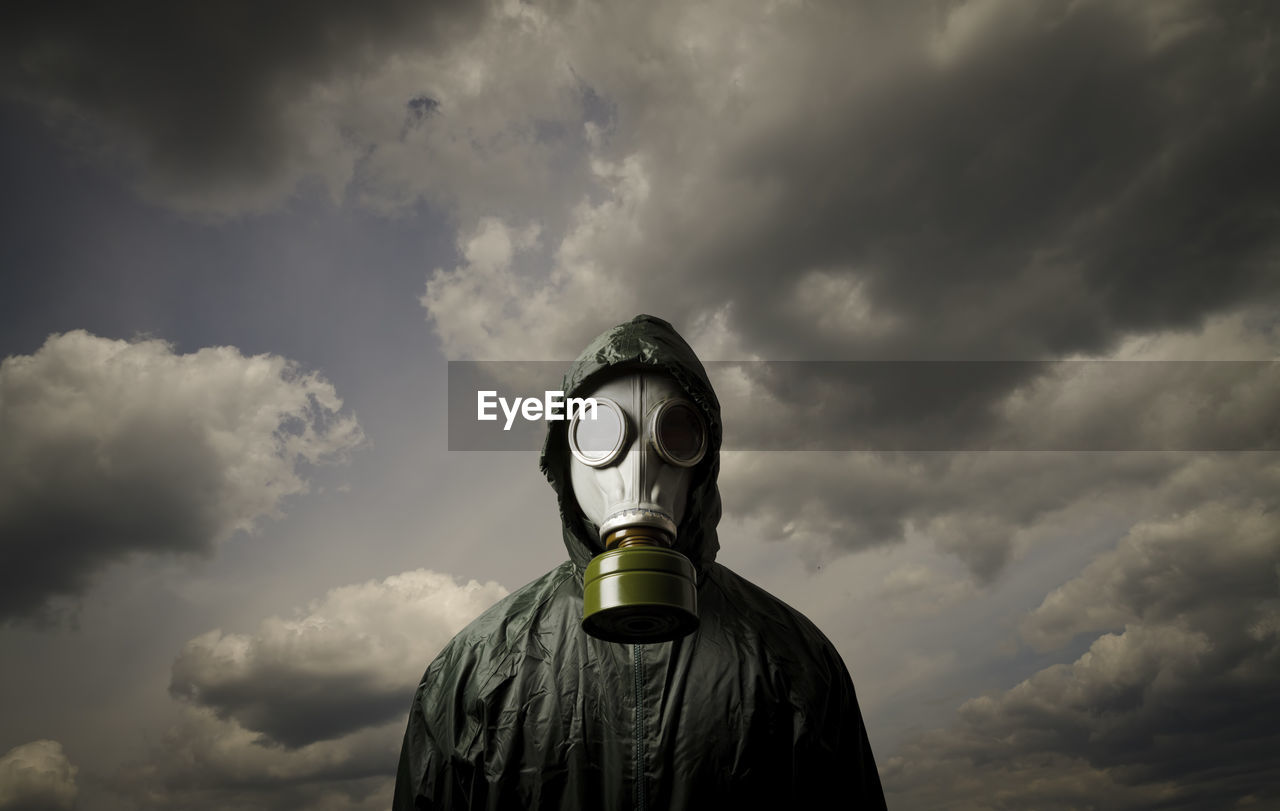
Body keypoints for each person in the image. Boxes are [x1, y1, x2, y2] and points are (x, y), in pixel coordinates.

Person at [394, 314, 886, 810]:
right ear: (566, 459)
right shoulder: (475, 668)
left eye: (674, 433)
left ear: (706, 462)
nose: (639, 465)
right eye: (600, 431)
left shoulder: (796, 661)